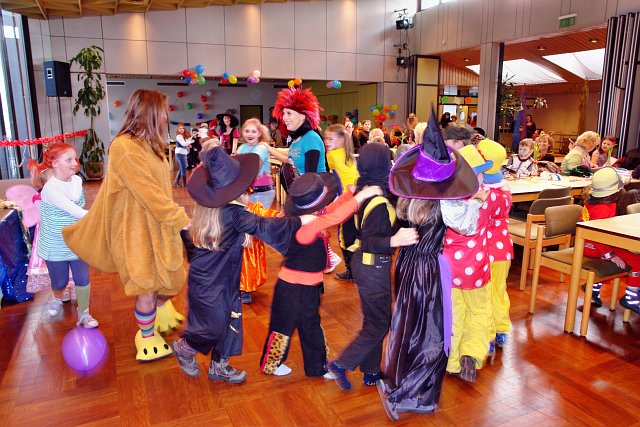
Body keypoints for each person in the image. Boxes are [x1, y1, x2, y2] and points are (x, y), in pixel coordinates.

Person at [64, 89, 190, 361]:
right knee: (146, 283)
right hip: (135, 231)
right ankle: (146, 336)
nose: (166, 116)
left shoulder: (153, 145)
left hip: (158, 224)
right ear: (149, 112)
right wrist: (181, 219)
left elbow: (160, 191)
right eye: (162, 111)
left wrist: (171, 221)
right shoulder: (124, 146)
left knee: (170, 278)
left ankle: (159, 312)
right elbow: (148, 192)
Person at [377, 110, 480, 420]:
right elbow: (468, 226)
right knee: (430, 333)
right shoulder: (446, 203)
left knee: (407, 325)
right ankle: (412, 394)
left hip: (406, 264)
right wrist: (474, 202)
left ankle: (399, 382)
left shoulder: (407, 197)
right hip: (427, 270)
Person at [171, 145, 303, 382]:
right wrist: (300, 221)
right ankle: (185, 347)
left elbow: (190, 242)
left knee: (231, 317)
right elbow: (263, 226)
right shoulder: (235, 213)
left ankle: (219, 365)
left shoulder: (207, 212)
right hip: (209, 284)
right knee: (212, 326)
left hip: (223, 277)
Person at [259, 173, 382, 378]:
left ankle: (317, 368)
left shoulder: (315, 217)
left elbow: (331, 210)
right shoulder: (304, 225)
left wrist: (350, 194)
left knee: (311, 326)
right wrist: (360, 197)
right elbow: (334, 217)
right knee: (281, 326)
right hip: (290, 289)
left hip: (310, 287)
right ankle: (271, 364)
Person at [327, 143, 419, 391]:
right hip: (372, 265)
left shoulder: (366, 189)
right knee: (380, 323)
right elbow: (370, 240)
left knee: (375, 319)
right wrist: (394, 240)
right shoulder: (378, 201)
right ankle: (341, 364)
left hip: (365, 264)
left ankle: (371, 370)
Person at [28, 142, 98, 328]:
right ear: (55, 163)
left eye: (75, 158)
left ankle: (84, 314)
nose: (75, 163)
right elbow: (77, 211)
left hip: (76, 239)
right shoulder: (50, 189)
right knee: (60, 282)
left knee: (83, 279)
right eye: (69, 160)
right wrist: (102, 214)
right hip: (56, 243)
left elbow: (79, 208)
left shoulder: (77, 181)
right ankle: (56, 296)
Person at [441, 145, 492, 383]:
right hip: (477, 268)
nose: (483, 178)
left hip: (450, 267)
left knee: (453, 314)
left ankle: (451, 362)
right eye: (481, 173)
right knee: (478, 312)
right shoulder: (486, 198)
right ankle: (471, 354)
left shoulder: (447, 200)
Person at [579, 167, 640, 314]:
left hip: (590, 243)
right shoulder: (604, 209)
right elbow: (598, 236)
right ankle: (631, 297)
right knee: (636, 261)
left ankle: (593, 287)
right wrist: (610, 255)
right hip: (594, 246)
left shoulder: (595, 202)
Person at [477, 139, 514, 351]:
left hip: (485, 249)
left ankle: (488, 336)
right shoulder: (504, 189)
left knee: (484, 293)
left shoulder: (482, 194)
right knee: (499, 290)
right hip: (503, 247)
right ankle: (501, 329)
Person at [324, 124, 359, 282]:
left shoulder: (332, 155)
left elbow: (331, 176)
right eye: (326, 138)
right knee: (352, 234)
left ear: (342, 139)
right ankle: (354, 269)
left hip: (346, 200)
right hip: (355, 198)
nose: (327, 142)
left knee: (344, 237)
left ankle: (351, 271)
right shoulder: (348, 154)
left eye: (330, 139)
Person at [266, 87, 327, 175]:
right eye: (284, 113)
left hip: (313, 183)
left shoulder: (311, 138)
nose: (284, 118)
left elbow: (310, 176)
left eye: (289, 113)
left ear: (302, 116)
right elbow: (290, 157)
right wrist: (268, 149)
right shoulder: (297, 139)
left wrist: (269, 149)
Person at [237, 118, 275, 210]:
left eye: (253, 131)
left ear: (259, 133)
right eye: (247, 131)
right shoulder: (242, 147)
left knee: (258, 216)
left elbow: (254, 168)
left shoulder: (261, 147)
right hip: (247, 191)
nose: (250, 134)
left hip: (262, 192)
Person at [173, 124, 192, 188]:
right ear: (178, 129)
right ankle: (184, 184)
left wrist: (189, 142)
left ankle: (176, 181)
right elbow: (183, 144)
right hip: (180, 153)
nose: (181, 129)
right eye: (180, 128)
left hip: (183, 153)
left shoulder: (183, 136)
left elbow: (185, 144)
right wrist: (190, 141)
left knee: (183, 167)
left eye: (182, 128)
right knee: (183, 168)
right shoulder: (179, 136)